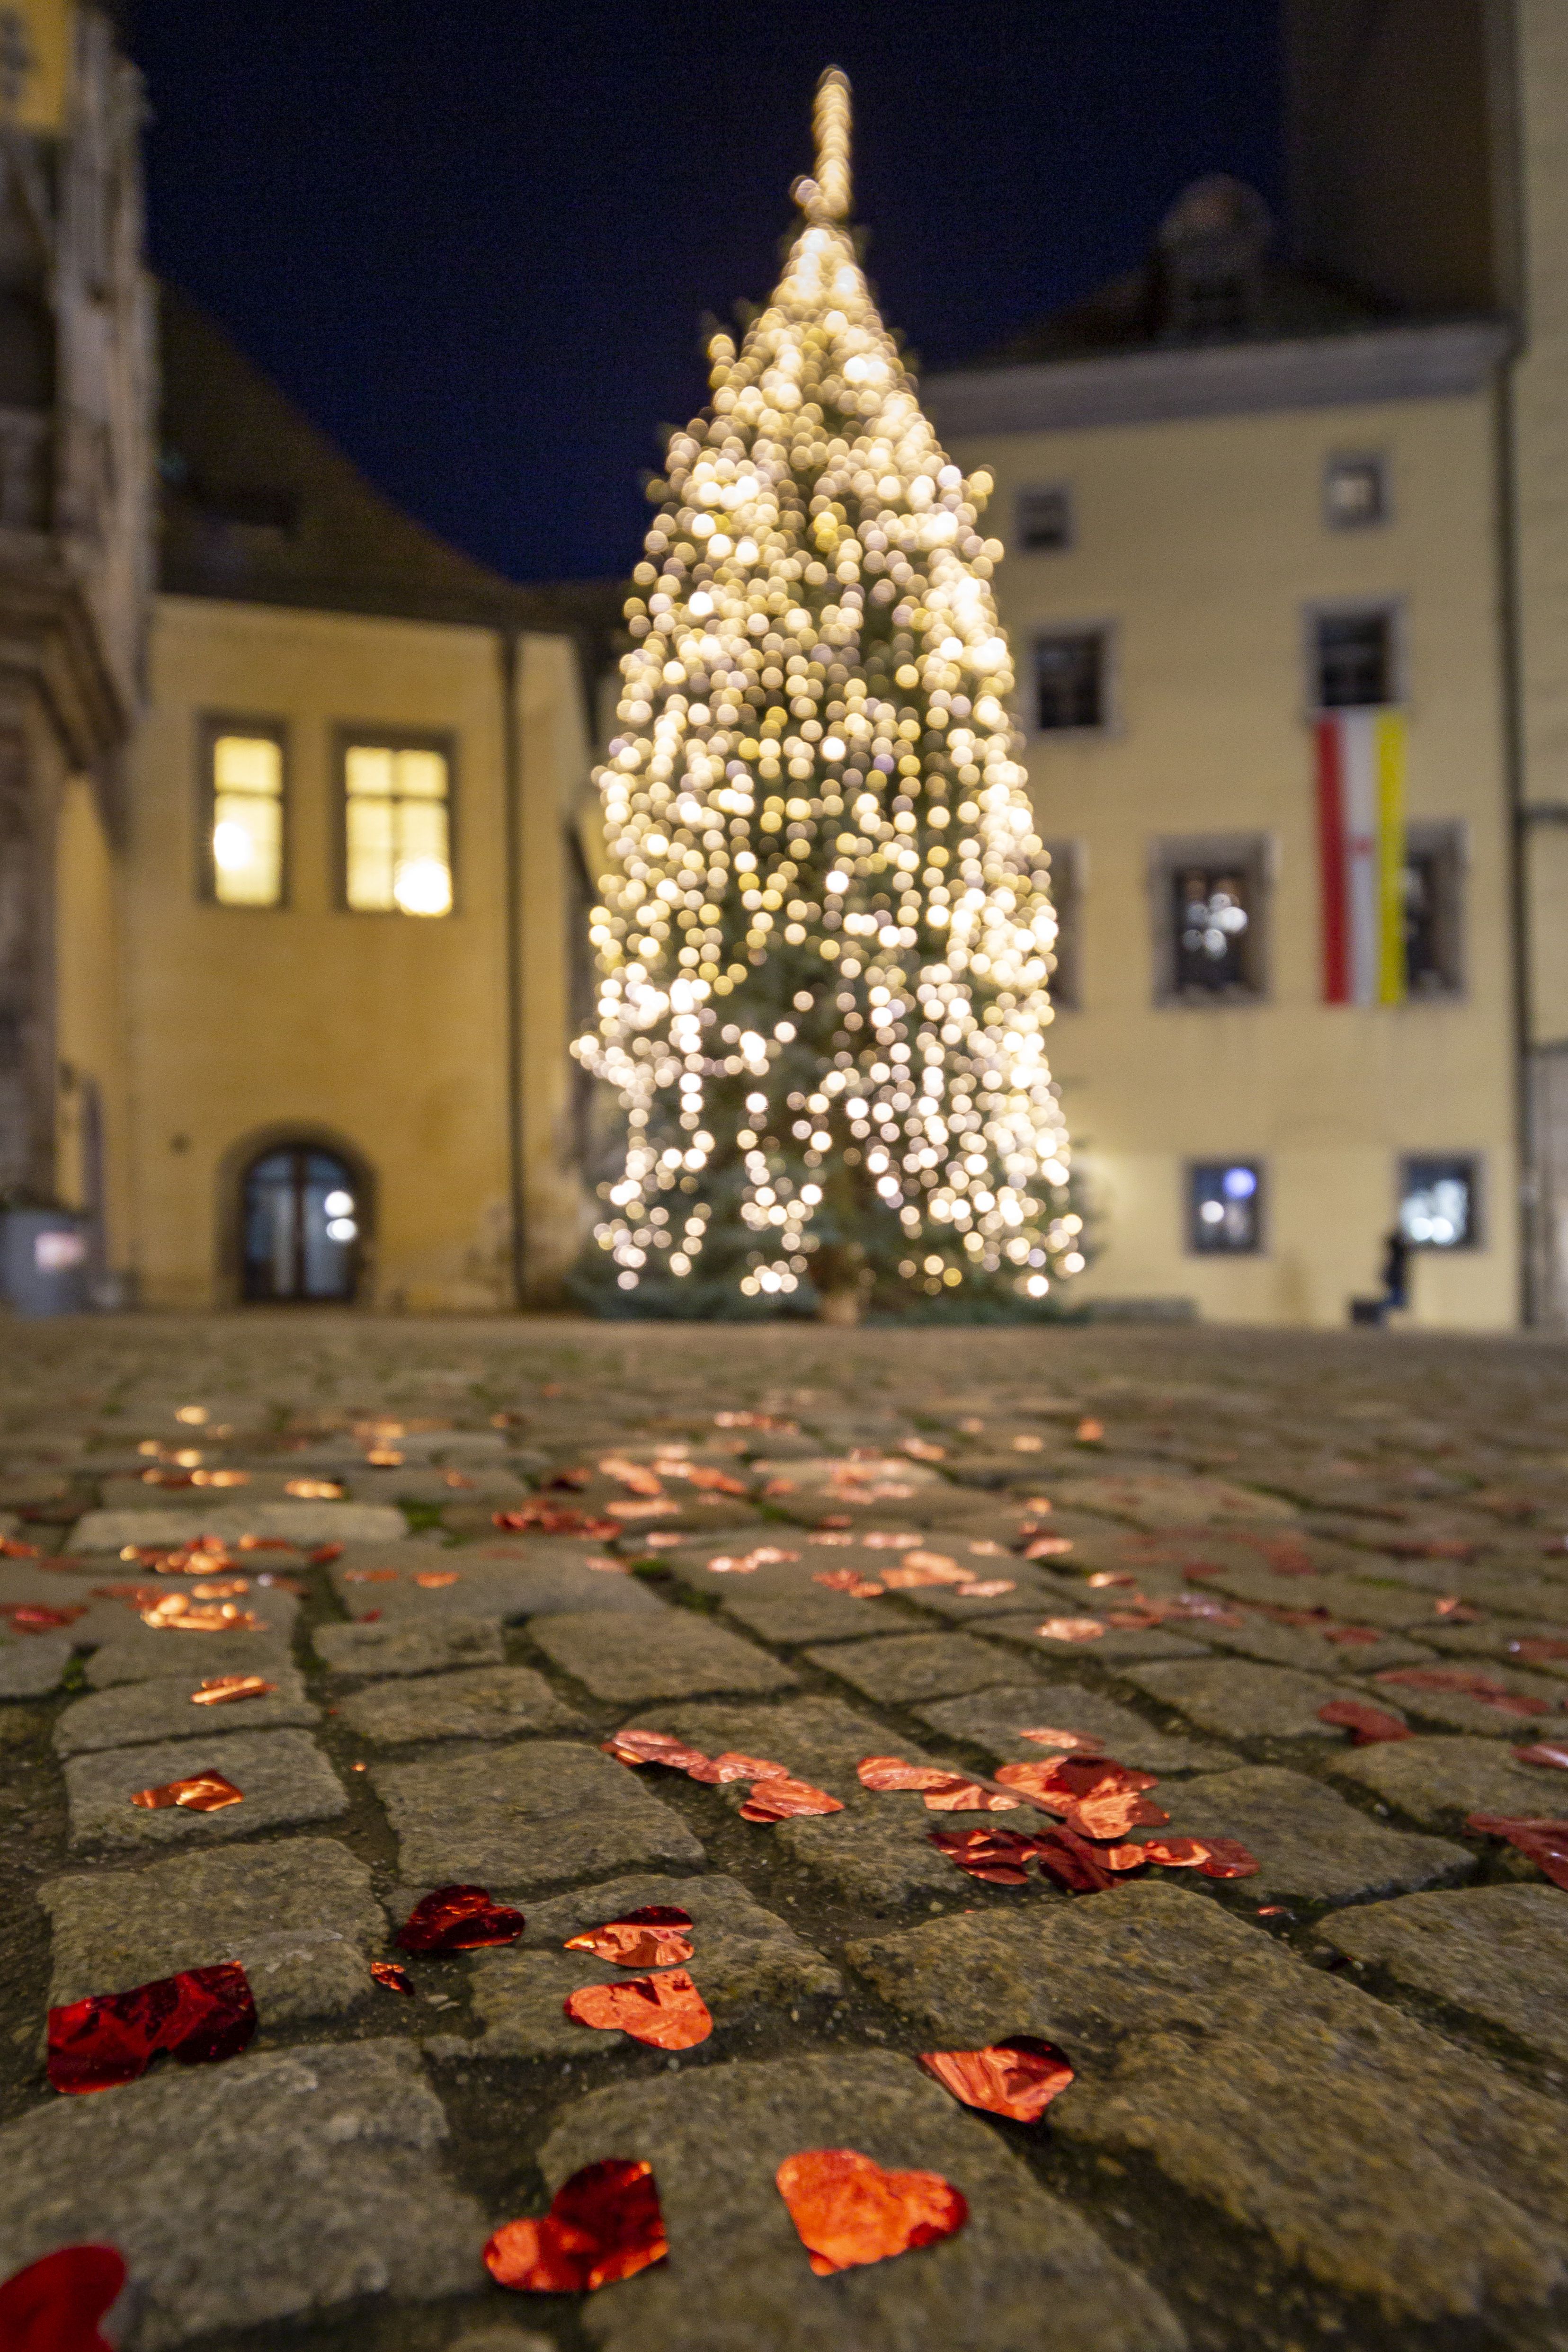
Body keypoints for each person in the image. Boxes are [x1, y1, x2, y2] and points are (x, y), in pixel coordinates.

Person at [1380, 1226, 1411, 1315]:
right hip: (1396, 1278)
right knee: (1398, 1300)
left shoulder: (1397, 1253)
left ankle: (1380, 1311)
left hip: (1396, 1278)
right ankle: (1378, 1310)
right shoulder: (1398, 1252)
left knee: (1399, 1300)